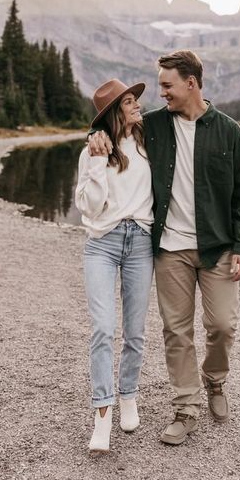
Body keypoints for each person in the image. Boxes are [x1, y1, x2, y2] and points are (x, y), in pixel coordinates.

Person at [89, 50, 240, 446]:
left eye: (167, 85)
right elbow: (112, 131)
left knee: (221, 326)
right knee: (176, 331)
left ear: (191, 83)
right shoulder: (151, 126)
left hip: (217, 248)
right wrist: (95, 136)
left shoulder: (229, 131)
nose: (160, 93)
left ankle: (214, 381)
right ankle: (186, 406)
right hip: (169, 249)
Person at [75, 78, 154, 452]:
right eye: (129, 101)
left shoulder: (148, 140)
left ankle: (128, 396)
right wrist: (96, 161)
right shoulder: (92, 151)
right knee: (103, 329)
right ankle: (102, 413)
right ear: (113, 113)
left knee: (135, 332)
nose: (137, 104)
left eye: (135, 99)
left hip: (140, 240)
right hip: (102, 244)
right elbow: (89, 208)